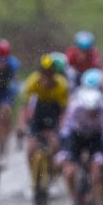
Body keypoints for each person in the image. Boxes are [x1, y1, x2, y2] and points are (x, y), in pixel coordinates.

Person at [59, 86, 103, 205]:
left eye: (94, 111)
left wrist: (102, 157)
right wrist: (64, 153)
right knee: (69, 172)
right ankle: (72, 202)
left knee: (96, 176)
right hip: (77, 138)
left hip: (97, 140)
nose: (91, 114)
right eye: (88, 110)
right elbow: (66, 132)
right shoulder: (75, 108)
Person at [15, 54, 70, 189]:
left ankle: (53, 175)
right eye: (44, 73)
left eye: (49, 73)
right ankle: (33, 179)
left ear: (54, 73)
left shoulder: (62, 85)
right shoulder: (33, 82)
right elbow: (25, 107)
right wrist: (21, 125)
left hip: (54, 115)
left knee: (55, 145)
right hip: (38, 116)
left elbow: (64, 111)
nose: (46, 76)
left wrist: (63, 128)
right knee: (31, 149)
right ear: (39, 72)